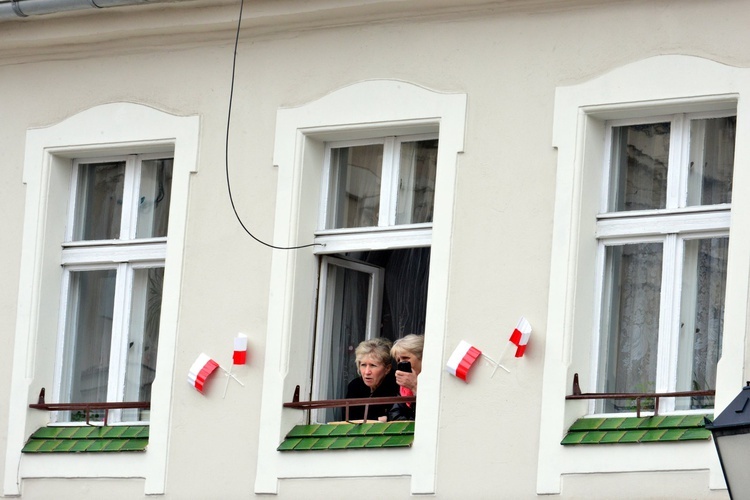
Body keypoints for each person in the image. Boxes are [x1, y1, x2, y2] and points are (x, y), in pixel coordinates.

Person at [344, 338, 400, 421]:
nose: (367, 372)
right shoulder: (354, 386)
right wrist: (380, 419)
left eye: (373, 365)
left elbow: (396, 418)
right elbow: (348, 420)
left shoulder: (398, 386)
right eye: (363, 365)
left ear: (387, 369)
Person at [388, 334, 424, 421]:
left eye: (405, 359)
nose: (401, 363)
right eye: (398, 360)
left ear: (422, 358)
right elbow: (395, 416)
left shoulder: (433, 381)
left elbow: (428, 414)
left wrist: (415, 386)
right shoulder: (403, 387)